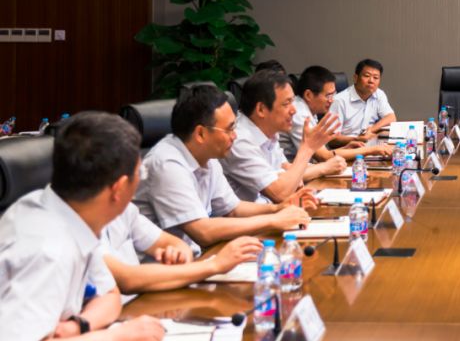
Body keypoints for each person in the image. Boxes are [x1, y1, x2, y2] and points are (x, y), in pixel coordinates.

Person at [0, 112, 165, 341]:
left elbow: (109, 295)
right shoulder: (48, 248)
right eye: (140, 173)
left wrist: (79, 326)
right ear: (118, 188)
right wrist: (113, 340)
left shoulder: (67, 213)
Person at [135, 84, 314, 253]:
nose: (234, 136)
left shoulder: (208, 155)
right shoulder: (167, 164)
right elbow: (203, 231)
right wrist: (273, 220)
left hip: (198, 257)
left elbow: (233, 209)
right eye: (229, 129)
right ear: (201, 133)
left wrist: (278, 209)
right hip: (163, 270)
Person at [223, 70, 343, 202]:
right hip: (258, 213)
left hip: (275, 209)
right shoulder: (239, 140)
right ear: (261, 109)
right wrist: (308, 149)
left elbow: (285, 169)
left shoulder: (269, 131)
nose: (294, 110)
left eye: (293, 102)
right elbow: (280, 193)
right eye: (286, 104)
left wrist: (295, 177)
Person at [100, 204, 262, 299]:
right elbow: (127, 279)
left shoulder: (125, 209)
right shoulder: (86, 223)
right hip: (117, 320)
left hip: (144, 301)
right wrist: (215, 264)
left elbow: (173, 243)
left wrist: (180, 255)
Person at [284, 66, 392, 162]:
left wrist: (346, 148)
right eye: (328, 95)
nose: (332, 100)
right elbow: (323, 157)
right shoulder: (299, 113)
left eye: (333, 94)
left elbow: (323, 153)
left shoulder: (310, 110)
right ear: (308, 95)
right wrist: (371, 150)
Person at [329, 58, 396, 142]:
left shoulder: (379, 94)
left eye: (375, 77)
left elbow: (391, 117)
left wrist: (371, 129)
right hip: (347, 146)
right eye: (367, 76)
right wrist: (357, 139)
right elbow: (331, 139)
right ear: (355, 78)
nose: (371, 81)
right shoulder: (339, 101)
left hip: (370, 143)